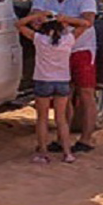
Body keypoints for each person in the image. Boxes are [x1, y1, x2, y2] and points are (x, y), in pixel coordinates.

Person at [28, 0, 100, 154]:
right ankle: (63, 139)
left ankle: (87, 139)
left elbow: (89, 21)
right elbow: (33, 18)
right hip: (57, 53)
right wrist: (40, 19)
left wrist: (63, 19)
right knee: (64, 96)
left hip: (81, 49)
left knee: (86, 93)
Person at [18, 14, 79, 164]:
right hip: (62, 81)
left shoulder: (40, 39)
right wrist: (66, 20)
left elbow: (19, 24)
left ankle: (43, 153)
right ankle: (67, 153)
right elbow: (85, 24)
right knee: (61, 119)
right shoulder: (68, 40)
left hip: (43, 81)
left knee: (42, 119)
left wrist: (38, 15)